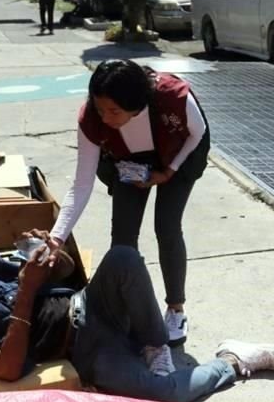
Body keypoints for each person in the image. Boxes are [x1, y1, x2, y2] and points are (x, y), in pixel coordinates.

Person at [0, 239, 274, 402]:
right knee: (168, 397)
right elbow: (5, 368)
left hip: (90, 302)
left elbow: (68, 277)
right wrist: (25, 291)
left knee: (123, 257)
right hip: (87, 348)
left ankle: (155, 345)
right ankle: (234, 360)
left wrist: (54, 256)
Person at [46, 60, 209, 346]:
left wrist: (169, 171)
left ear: (137, 102)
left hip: (178, 154)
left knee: (167, 227)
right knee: (122, 238)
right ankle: (127, 312)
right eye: (100, 108)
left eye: (114, 111)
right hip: (128, 164)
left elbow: (198, 132)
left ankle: (176, 309)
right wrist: (56, 237)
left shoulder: (172, 96)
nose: (106, 118)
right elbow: (81, 184)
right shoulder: (92, 120)